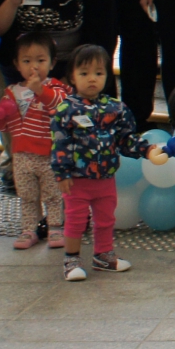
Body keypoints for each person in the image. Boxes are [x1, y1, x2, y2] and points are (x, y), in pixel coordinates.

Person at [51, 44, 140, 280]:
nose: (92, 79)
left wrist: (147, 149)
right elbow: (60, 143)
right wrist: (62, 173)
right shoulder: (66, 109)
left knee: (106, 218)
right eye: (84, 73)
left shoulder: (116, 108)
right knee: (76, 220)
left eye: (98, 73)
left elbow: (126, 138)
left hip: (106, 178)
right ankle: (71, 260)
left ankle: (103, 255)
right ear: (72, 77)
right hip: (77, 180)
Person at [0, 34, 67, 249]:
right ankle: (29, 229)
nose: (34, 66)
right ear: (17, 64)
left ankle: (56, 228)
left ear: (52, 63)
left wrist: (40, 90)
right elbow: (5, 125)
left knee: (53, 194)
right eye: (27, 61)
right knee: (27, 195)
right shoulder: (12, 92)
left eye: (41, 60)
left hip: (49, 155)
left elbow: (60, 106)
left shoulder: (56, 88)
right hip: (21, 155)